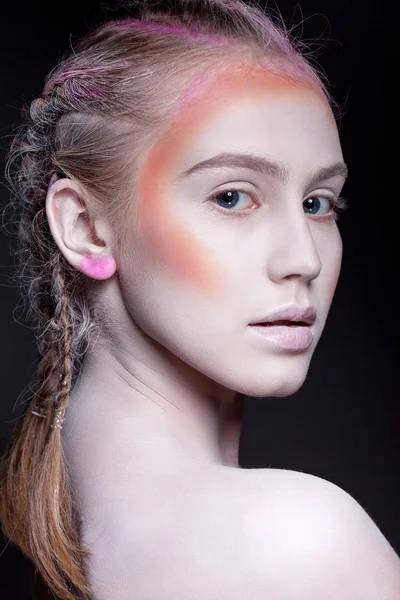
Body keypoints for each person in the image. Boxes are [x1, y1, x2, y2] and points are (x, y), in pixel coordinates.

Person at [1, 1, 399, 599]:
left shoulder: (71, 524)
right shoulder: (297, 542)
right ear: (84, 227)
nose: (304, 260)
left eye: (318, 203)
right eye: (233, 197)